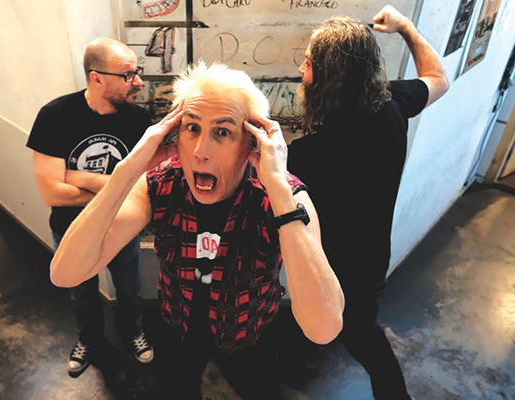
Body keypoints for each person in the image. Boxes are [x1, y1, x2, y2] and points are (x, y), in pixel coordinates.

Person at [50, 61, 345, 399]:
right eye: (192, 128)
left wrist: (278, 188)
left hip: (247, 334)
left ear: (252, 143)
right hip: (178, 327)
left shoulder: (285, 197)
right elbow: (65, 273)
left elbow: (323, 328)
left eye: (223, 132)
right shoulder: (161, 183)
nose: (200, 152)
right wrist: (127, 171)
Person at [288, 5, 450, 400]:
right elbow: (438, 79)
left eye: (309, 63)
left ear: (336, 80)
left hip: (340, 270)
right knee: (320, 322)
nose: (301, 70)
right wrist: (406, 26)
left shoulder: (310, 154)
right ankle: (295, 358)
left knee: (362, 337)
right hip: (372, 258)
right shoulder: (390, 105)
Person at [26, 37, 155, 377]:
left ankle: (133, 333)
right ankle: (89, 340)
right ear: (96, 77)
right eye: (127, 75)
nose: (138, 82)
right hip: (71, 227)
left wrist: (79, 177)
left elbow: (142, 188)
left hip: (121, 226)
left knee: (130, 290)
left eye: (137, 72)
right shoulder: (55, 116)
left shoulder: (139, 120)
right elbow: (53, 194)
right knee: (81, 292)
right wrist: (117, 187)